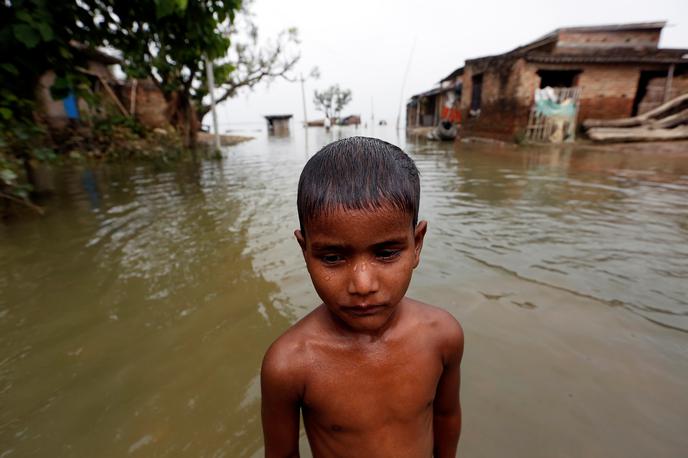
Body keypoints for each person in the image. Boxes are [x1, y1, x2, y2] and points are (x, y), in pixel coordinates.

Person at [261, 136, 464, 458]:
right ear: (305, 250)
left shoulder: (442, 336)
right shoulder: (290, 364)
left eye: (385, 253)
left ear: (417, 244)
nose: (363, 284)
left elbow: (446, 417)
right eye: (332, 258)